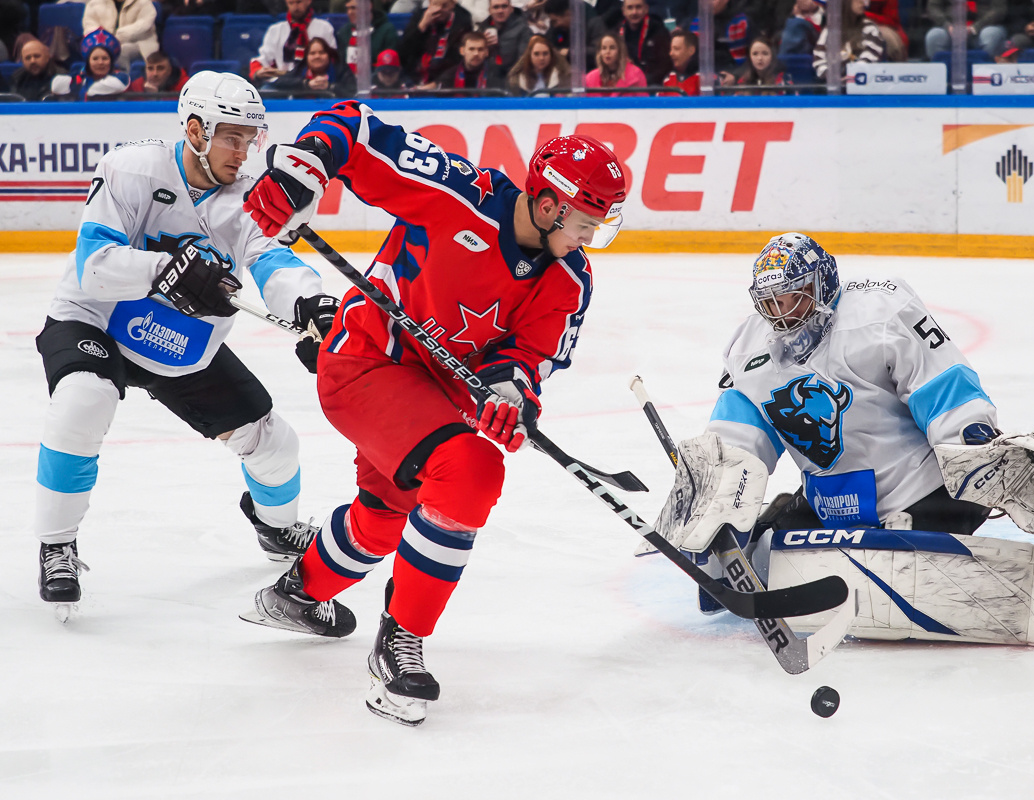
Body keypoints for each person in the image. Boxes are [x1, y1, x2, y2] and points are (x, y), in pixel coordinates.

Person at [240, 102, 628, 726]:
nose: (591, 236)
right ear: (552, 202)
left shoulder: (570, 280)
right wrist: (298, 173)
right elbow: (354, 128)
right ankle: (399, 642)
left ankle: (297, 593)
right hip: (365, 364)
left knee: (384, 521)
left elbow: (530, 355)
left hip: (428, 400)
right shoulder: (458, 194)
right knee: (470, 471)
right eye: (588, 220)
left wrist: (510, 395)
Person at [655, 233, 1034, 649]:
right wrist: (713, 498)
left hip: (923, 492)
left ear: (823, 287)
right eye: (771, 303)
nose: (782, 316)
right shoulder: (749, 348)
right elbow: (739, 436)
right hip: (830, 501)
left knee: (899, 573)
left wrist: (976, 446)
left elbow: (941, 385)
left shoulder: (880, 312)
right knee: (752, 549)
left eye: (794, 298)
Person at [34, 72, 340, 619]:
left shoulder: (249, 198)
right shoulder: (131, 168)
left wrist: (311, 306)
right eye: (232, 136)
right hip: (95, 320)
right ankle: (57, 544)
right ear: (195, 128)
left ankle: (275, 527)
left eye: (251, 138)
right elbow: (94, 265)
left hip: (177, 341)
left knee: (275, 445)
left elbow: (274, 262)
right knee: (83, 399)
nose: (243, 150)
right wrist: (166, 271)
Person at [250, 0, 338, 85]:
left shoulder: (324, 27)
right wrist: (258, 72)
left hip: (317, 81)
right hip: (283, 83)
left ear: (309, 1)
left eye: (299, 2)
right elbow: (263, 59)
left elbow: (333, 60)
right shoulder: (275, 30)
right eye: (291, 3)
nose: (295, 7)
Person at [397, 0, 475, 84]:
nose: (439, 9)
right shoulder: (419, 16)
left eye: (444, 6)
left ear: (453, 5)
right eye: (435, 5)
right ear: (429, 3)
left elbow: (459, 58)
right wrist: (422, 25)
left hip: (447, 77)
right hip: (416, 75)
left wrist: (438, 82)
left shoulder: (462, 20)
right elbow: (404, 50)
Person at [51, 29, 130, 100]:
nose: (100, 62)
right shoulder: (80, 77)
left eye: (105, 58)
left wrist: (82, 84)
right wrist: (78, 78)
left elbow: (93, 90)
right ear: (88, 62)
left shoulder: (121, 78)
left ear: (111, 61)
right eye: (95, 59)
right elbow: (56, 86)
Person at [813, 0, 884, 79]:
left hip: (862, 83)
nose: (862, 2)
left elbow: (869, 59)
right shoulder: (830, 30)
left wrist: (851, 75)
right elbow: (819, 59)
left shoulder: (870, 28)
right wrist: (832, 76)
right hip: (833, 85)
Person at [267, 35, 359, 95]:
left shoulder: (341, 69)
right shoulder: (300, 68)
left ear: (329, 55)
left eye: (321, 52)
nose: (317, 56)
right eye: (312, 53)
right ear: (307, 57)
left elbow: (352, 92)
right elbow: (279, 82)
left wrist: (329, 87)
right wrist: (306, 84)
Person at [688, 0, 754, 80]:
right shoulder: (696, 23)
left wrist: (735, 76)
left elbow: (753, 57)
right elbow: (691, 62)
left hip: (737, 79)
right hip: (704, 79)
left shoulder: (742, 21)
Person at [82, 0, 159, 69]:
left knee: (122, 52)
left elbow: (144, 24)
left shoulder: (144, 2)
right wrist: (104, 38)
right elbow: (89, 24)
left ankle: (122, 79)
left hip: (138, 43)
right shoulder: (95, 3)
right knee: (96, 53)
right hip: (102, 44)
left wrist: (118, 37)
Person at [337, 0, 402, 76]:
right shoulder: (344, 32)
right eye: (347, 9)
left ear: (368, 6)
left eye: (354, 8)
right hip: (348, 83)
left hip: (379, 81)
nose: (349, 13)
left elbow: (390, 63)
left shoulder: (387, 31)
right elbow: (340, 66)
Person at [924, 0, 1007, 58]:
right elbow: (933, 7)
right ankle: (942, 77)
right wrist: (947, 26)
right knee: (934, 36)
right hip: (950, 29)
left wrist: (974, 27)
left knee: (991, 34)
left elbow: (999, 10)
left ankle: (984, 74)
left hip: (984, 27)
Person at [618, 0, 672, 85]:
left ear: (646, 9)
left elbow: (664, 66)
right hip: (625, 82)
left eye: (638, 7)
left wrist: (642, 81)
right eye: (630, 8)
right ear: (623, 11)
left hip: (652, 83)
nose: (634, 12)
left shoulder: (658, 30)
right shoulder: (617, 32)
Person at [477, 0, 531, 77]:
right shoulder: (482, 28)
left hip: (514, 76)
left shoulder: (522, 28)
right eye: (496, 7)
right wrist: (483, 46)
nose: (500, 11)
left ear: (511, 9)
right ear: (489, 10)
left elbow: (523, 60)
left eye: (504, 6)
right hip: (487, 77)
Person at [663, 27, 701, 95]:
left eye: (676, 49)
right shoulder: (669, 78)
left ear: (691, 50)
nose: (671, 53)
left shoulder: (705, 80)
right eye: (671, 49)